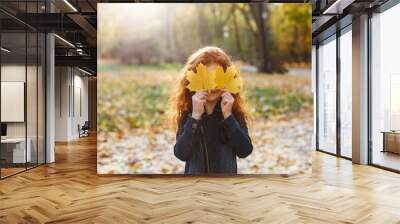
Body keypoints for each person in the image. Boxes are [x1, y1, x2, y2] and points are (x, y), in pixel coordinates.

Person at [171, 46, 253, 174]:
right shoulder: (189, 113)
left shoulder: (233, 113)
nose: (213, 86)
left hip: (225, 188)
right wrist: (195, 117)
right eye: (207, 79)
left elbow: (245, 151)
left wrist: (228, 117)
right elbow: (181, 153)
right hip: (196, 188)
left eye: (218, 79)